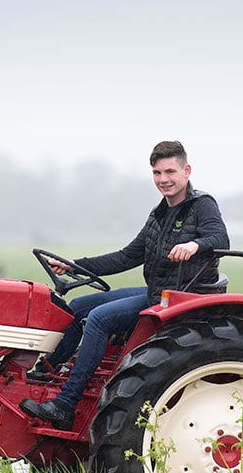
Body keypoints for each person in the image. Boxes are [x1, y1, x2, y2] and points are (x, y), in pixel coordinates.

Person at [20, 140, 229, 430]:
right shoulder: (159, 214)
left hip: (181, 298)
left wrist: (195, 244)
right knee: (79, 306)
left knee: (98, 319)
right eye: (157, 173)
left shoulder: (201, 205)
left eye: (170, 171)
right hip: (157, 291)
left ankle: (65, 404)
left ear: (186, 170)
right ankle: (46, 372)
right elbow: (126, 257)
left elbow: (220, 239)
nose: (164, 180)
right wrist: (74, 264)